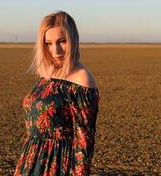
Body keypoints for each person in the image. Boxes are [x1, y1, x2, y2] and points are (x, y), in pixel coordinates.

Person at [14, 11, 99, 176]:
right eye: (48, 43)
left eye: (62, 41)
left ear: (73, 40)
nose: (56, 50)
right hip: (31, 161)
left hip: (57, 165)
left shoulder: (82, 79)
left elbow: (84, 142)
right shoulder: (48, 73)